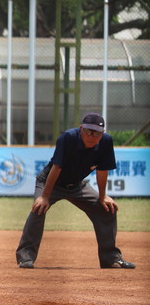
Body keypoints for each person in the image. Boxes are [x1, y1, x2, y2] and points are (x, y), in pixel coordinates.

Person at [16, 112, 136, 269]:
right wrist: (45, 196)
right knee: (39, 208)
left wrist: (103, 196)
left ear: (103, 133)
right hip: (50, 182)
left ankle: (111, 258)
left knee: (107, 209)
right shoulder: (68, 138)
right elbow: (56, 167)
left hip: (77, 185)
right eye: (88, 131)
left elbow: (102, 171)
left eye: (97, 132)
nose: (92, 136)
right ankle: (26, 258)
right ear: (81, 129)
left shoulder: (106, 142)